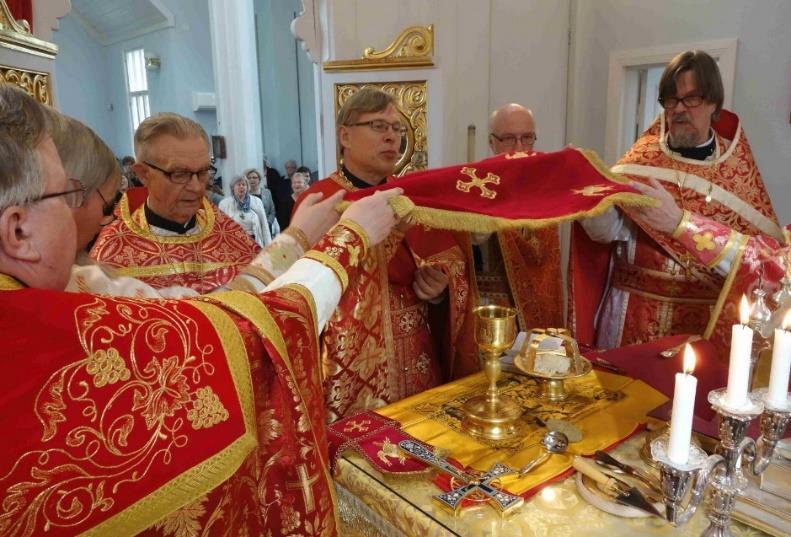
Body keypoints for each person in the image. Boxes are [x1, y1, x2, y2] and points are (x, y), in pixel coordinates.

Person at [0, 82, 400, 535]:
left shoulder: (227, 233)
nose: (99, 219)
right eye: (69, 199)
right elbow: (233, 333)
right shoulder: (75, 284)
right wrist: (334, 240)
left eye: (203, 173)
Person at [572, 50, 780, 349]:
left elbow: (760, 264)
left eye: (691, 99)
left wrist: (679, 223)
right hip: (630, 317)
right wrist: (585, 192)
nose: (679, 110)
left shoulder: (738, 176)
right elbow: (606, 234)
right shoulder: (638, 164)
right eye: (671, 100)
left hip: (702, 325)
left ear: (714, 103)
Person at [295, 87, 475, 421]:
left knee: (421, 443)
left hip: (414, 352)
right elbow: (303, 288)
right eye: (379, 126)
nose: (392, 137)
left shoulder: (410, 198)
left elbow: (446, 267)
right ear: (345, 135)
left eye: (397, 129)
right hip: (346, 359)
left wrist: (438, 290)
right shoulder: (320, 201)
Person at [90, 113, 264, 293]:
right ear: (143, 174)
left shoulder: (229, 234)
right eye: (179, 174)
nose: (197, 188)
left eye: (203, 172)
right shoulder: (112, 253)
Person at [470, 103, 564, 330]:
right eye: (509, 139)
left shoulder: (547, 182)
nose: (520, 147)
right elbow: (470, 239)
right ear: (491, 142)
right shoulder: (478, 183)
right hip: (494, 310)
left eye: (527, 137)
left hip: (543, 305)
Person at [218, 175, 272, 247]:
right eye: (238, 185)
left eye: (244, 184)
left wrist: (268, 246)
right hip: (234, 243)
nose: (241, 187)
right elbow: (220, 228)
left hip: (253, 241)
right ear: (233, 188)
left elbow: (264, 225)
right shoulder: (224, 204)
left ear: (247, 187)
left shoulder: (256, 201)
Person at [244, 167, 279, 237]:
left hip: (267, 225)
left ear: (259, 179)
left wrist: (268, 223)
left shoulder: (267, 192)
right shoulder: (245, 195)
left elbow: (272, 211)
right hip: (252, 228)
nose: (252, 180)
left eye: (254, 177)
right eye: (249, 178)